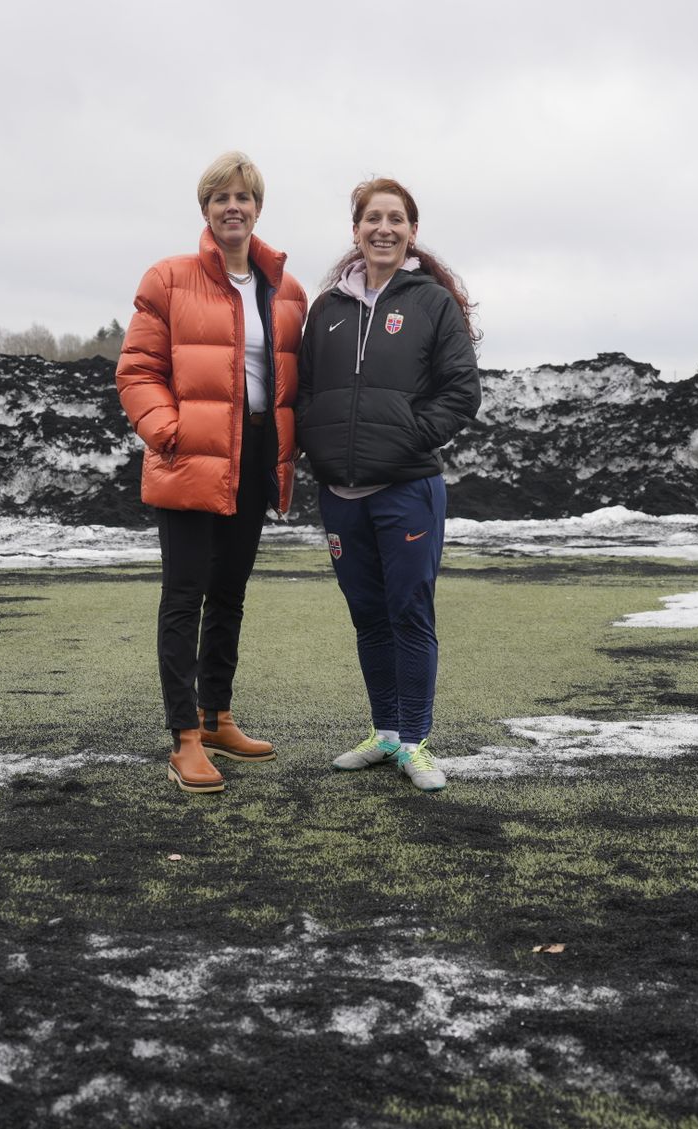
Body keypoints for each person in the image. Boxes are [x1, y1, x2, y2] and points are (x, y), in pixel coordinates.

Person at [116, 151, 306, 795]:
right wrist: (168, 432)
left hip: (254, 459)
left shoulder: (287, 292)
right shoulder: (168, 279)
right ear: (205, 210)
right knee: (185, 593)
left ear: (258, 209)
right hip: (190, 455)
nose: (234, 207)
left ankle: (217, 715)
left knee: (230, 591)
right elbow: (136, 371)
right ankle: (185, 739)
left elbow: (292, 381)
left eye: (245, 198)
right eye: (221, 198)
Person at [296, 177, 481, 793]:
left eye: (395, 219)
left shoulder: (432, 304)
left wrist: (405, 438)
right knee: (368, 616)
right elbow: (305, 393)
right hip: (341, 495)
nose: (384, 229)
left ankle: (415, 741)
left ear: (412, 232)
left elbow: (461, 393)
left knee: (409, 612)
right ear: (355, 231)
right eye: (372, 218)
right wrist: (318, 447)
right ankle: (383, 733)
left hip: (406, 489)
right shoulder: (326, 310)